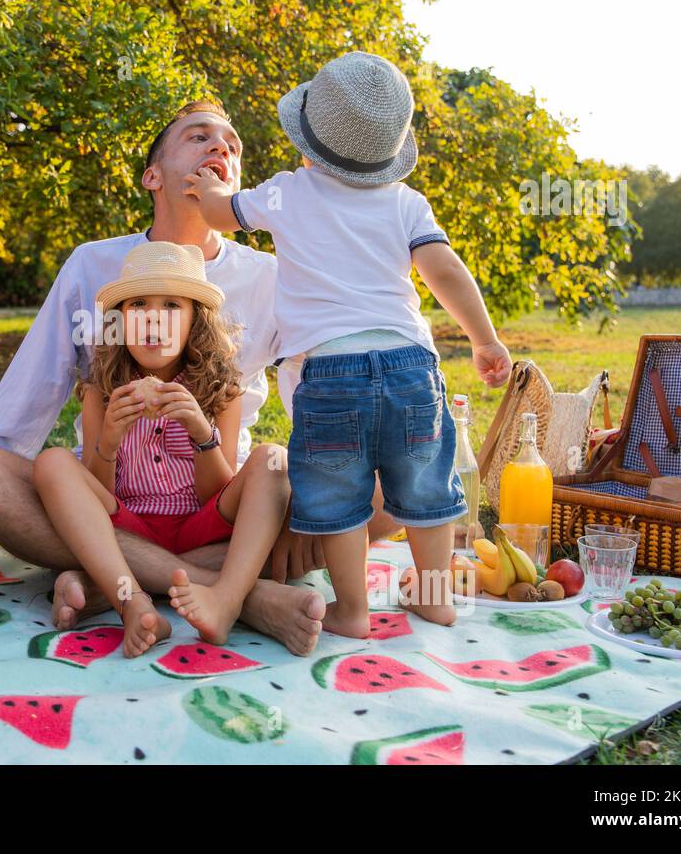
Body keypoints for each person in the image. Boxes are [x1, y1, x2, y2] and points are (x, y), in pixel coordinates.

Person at [0, 100, 342, 656]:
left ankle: (108, 582)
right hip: (109, 499)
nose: (221, 148)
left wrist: (319, 494)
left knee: (374, 487)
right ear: (152, 177)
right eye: (199, 138)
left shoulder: (270, 277)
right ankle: (242, 596)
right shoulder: (92, 265)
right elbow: (26, 399)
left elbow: (316, 392)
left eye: (232, 145)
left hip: (219, 506)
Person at [185, 52, 512, 638]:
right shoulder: (406, 202)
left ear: (307, 141)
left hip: (331, 370)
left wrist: (207, 188)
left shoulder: (287, 193)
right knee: (425, 485)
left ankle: (354, 610)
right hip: (412, 364)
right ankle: (435, 599)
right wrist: (484, 339)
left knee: (338, 491)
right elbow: (444, 270)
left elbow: (221, 215)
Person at [33, 242, 294, 656]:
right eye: (138, 304)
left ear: (195, 322)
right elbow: (100, 495)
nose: (154, 317)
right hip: (129, 524)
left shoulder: (221, 391)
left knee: (273, 458)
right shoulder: (101, 392)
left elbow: (217, 495)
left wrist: (200, 433)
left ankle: (220, 597)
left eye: (172, 305)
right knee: (52, 462)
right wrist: (108, 444)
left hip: (200, 526)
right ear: (120, 322)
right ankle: (132, 599)